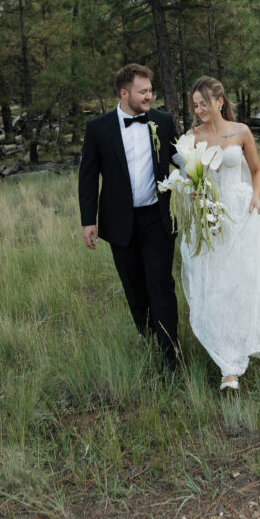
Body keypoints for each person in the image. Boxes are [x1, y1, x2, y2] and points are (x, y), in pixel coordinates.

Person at [179, 76, 260, 391]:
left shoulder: (242, 132)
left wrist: (255, 196)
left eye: (204, 104)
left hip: (241, 212)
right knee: (216, 285)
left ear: (219, 101)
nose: (199, 110)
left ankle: (239, 349)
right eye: (195, 105)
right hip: (211, 215)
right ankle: (228, 366)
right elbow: (189, 178)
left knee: (242, 282)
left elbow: (256, 170)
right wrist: (194, 192)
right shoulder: (191, 138)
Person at [79, 64, 180, 372]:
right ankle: (149, 338)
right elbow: (88, 176)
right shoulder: (98, 128)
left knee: (160, 285)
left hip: (157, 218)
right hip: (119, 222)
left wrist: (204, 177)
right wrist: (88, 220)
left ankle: (170, 357)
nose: (150, 96)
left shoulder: (163, 122)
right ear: (124, 94)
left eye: (151, 90)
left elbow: (180, 158)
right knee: (134, 287)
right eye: (143, 91)